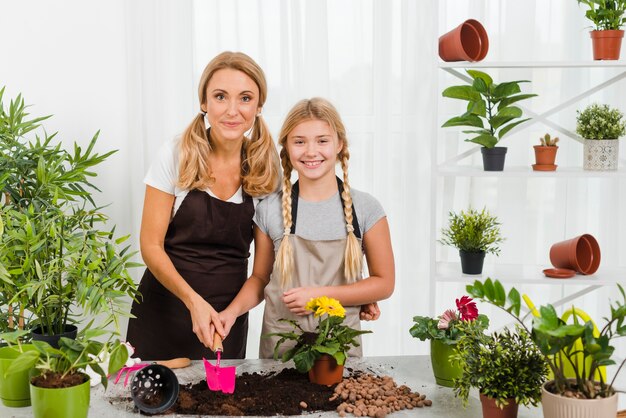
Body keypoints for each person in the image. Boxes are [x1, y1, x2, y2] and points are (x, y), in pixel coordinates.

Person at [126, 51, 280, 360]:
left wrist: (231, 315)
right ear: (204, 103)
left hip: (225, 324)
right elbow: (150, 246)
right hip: (163, 313)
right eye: (221, 97)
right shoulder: (175, 154)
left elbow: (262, 276)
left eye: (246, 98)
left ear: (259, 106)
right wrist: (193, 302)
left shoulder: (265, 168)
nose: (232, 110)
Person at [220, 97, 395, 358]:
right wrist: (230, 313)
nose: (311, 151)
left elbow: (385, 283)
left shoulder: (366, 208)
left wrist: (320, 296)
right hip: (280, 347)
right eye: (299, 141)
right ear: (287, 148)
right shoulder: (269, 209)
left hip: (339, 349)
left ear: (339, 145)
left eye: (322, 140)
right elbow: (260, 279)